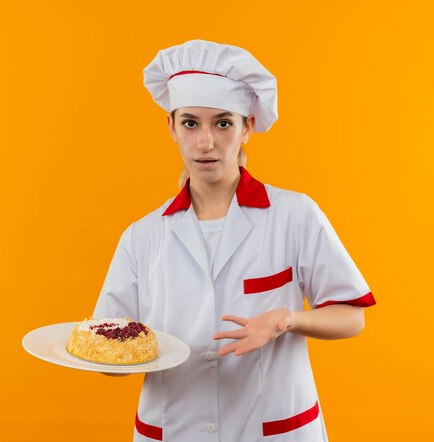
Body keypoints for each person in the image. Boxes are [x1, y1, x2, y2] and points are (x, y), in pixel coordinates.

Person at [92, 39, 376, 442]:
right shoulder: (142, 236)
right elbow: (106, 349)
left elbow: (352, 316)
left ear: (247, 127)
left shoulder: (294, 215)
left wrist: (286, 320)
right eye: (190, 123)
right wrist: (114, 354)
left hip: (274, 429)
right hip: (174, 428)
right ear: (171, 127)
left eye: (223, 123)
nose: (206, 142)